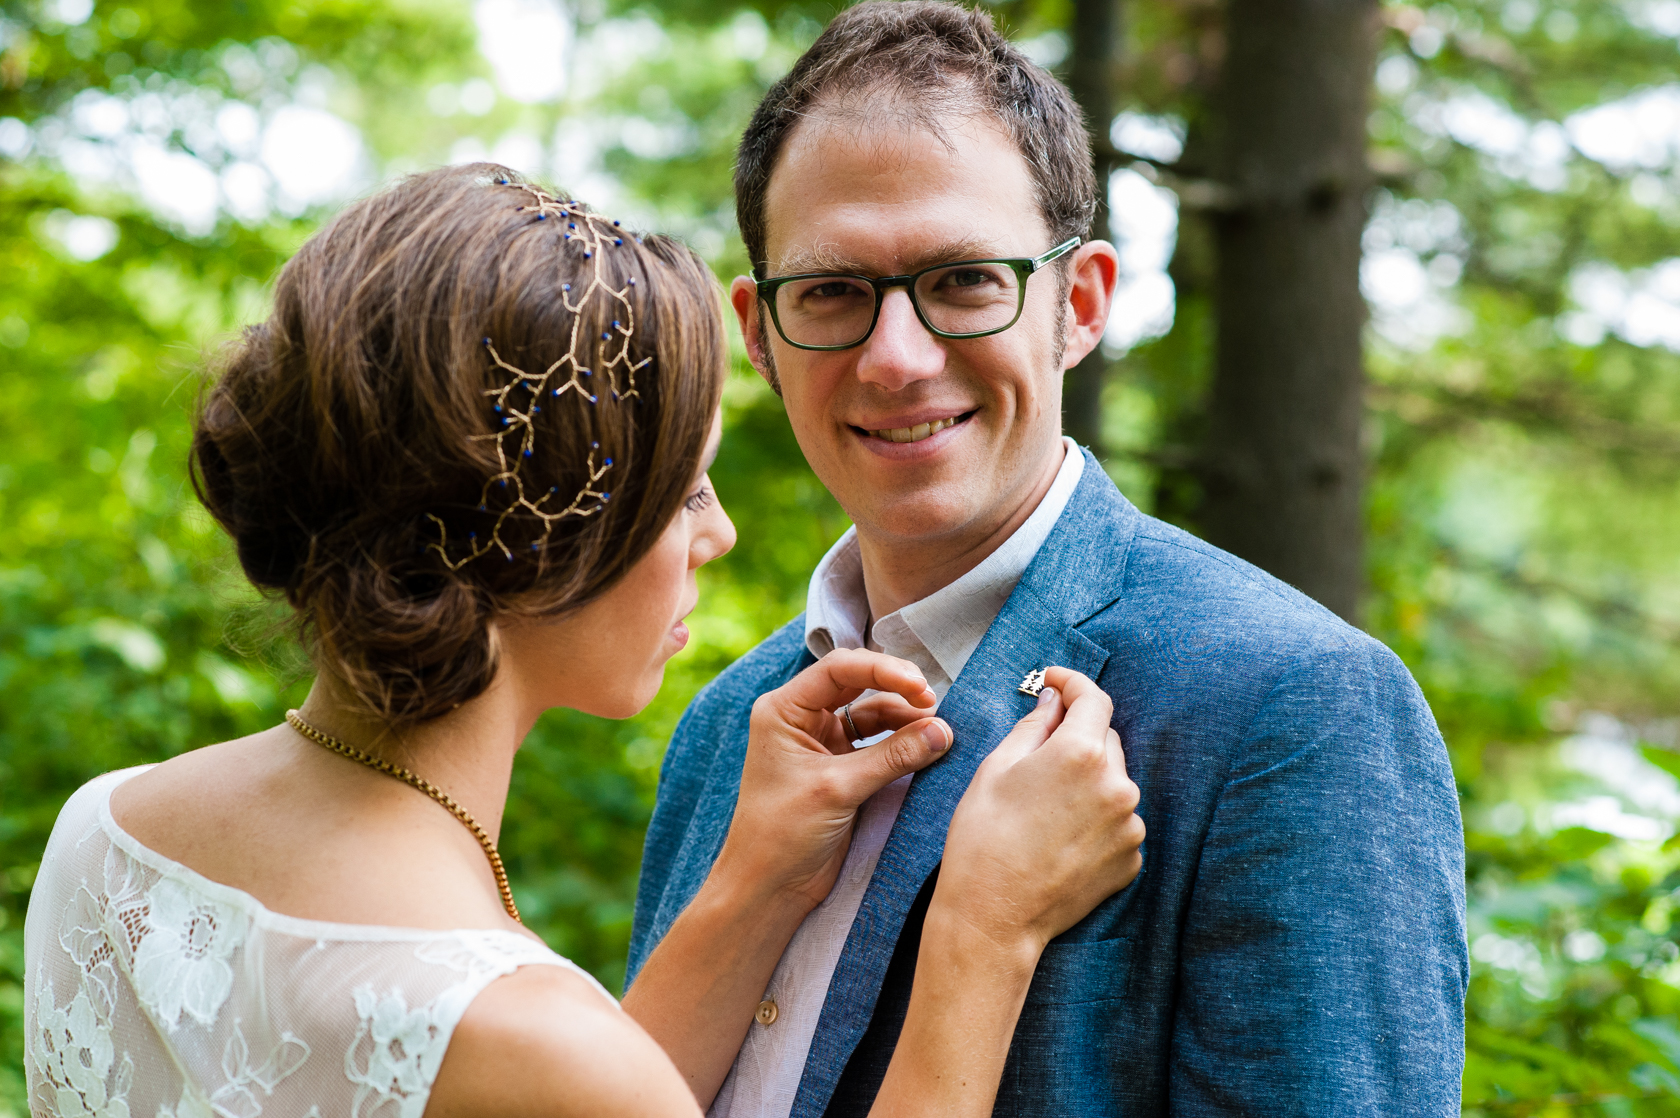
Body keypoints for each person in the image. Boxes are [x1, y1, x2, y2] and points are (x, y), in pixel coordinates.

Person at [22, 165, 1146, 1118]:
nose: (720, 531)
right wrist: (984, 936)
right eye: (688, 489)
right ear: (547, 534)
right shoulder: (543, 1042)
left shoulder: (109, 834)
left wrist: (753, 878)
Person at [628, 4, 1470, 1116]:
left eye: (963, 280)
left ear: (1079, 305)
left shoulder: (1291, 707)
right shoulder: (724, 732)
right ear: (762, 333)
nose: (895, 358)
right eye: (831, 292)